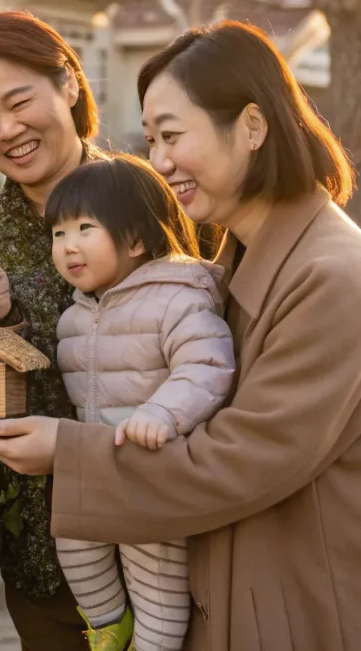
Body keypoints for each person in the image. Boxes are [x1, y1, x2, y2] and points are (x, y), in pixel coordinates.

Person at [0, 22, 361, 651]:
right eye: (151, 139)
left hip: (329, 610)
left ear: (253, 127)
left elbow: (241, 460)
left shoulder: (331, 276)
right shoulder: (240, 254)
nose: (160, 162)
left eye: (174, 136)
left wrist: (68, 454)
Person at [0, 9, 104, 650]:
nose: (7, 129)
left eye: (19, 100)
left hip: (171, 535)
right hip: (45, 557)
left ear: (68, 85)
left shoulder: (154, 202)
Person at [46, 155, 235, 651]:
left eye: (85, 228)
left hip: (153, 475)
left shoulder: (176, 297)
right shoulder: (73, 317)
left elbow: (206, 366)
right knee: (72, 540)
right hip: (99, 470)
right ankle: (109, 627)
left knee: (156, 585)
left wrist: (161, 413)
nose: (68, 246)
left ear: (134, 239)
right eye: (59, 234)